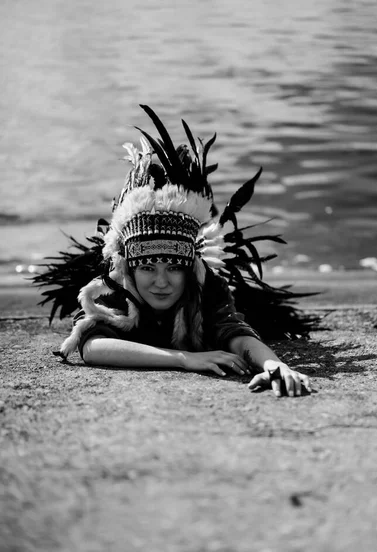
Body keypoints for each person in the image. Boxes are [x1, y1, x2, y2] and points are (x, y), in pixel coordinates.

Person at [48, 105, 313, 397]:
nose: (161, 282)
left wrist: (275, 366)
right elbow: (92, 347)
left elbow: (236, 334)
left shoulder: (205, 286)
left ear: (189, 268)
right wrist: (183, 358)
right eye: (148, 268)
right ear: (130, 268)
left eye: (173, 268)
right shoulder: (115, 285)